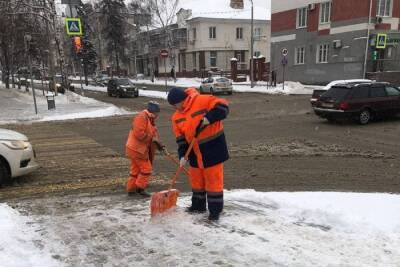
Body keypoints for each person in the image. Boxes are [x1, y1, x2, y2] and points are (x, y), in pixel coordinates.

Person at [167, 87, 229, 221]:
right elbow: (181, 139)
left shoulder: (203, 100)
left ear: (182, 100)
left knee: (213, 182)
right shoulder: (176, 117)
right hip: (194, 152)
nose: (175, 108)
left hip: (213, 149)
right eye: (173, 106)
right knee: (196, 181)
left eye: (175, 105)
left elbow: (223, 107)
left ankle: (215, 211)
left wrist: (209, 118)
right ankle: (198, 206)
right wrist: (182, 155)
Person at [126, 101, 164, 197]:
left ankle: (131, 189)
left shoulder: (150, 119)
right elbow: (139, 134)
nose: (158, 115)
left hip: (136, 149)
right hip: (137, 149)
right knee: (146, 169)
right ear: (154, 111)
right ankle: (140, 188)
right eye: (158, 112)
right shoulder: (142, 117)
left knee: (135, 170)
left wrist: (160, 145)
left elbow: (154, 135)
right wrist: (152, 139)